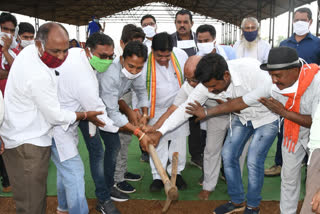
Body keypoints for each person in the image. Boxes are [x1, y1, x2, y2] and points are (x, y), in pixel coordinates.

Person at [185, 47, 320, 214]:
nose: (274, 80)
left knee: (311, 187)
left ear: (294, 70)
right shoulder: (273, 85)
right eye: (272, 75)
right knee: (287, 178)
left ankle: (253, 206)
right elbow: (240, 102)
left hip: (309, 135)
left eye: (277, 75)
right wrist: (206, 112)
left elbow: (314, 122)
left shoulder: (316, 83)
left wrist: (283, 112)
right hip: (287, 132)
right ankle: (248, 204)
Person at [143, 53, 279, 214]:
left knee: (254, 160)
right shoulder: (207, 84)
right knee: (228, 155)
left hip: (267, 117)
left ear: (226, 76)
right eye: (207, 87)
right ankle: (237, 202)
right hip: (241, 118)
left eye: (214, 87)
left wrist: (207, 112)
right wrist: (160, 132)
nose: (211, 91)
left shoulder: (253, 71)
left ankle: (253, 207)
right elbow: (184, 110)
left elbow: (240, 103)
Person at [0, 22, 105, 214]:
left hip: (22, 133)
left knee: (35, 197)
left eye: (65, 51)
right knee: (32, 205)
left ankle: (62, 207)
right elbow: (56, 115)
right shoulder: (38, 74)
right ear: (39, 45)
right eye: (56, 51)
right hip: (28, 143)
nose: (61, 57)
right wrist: (83, 115)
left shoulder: (30, 53)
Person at [52, 32, 123, 214]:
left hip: (68, 118)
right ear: (88, 51)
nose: (107, 60)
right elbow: (101, 118)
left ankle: (63, 208)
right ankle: (84, 207)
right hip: (58, 126)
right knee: (75, 173)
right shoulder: (85, 80)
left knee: (64, 169)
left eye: (110, 56)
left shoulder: (77, 53)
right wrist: (132, 129)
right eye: (102, 56)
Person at [265, 7, 320, 177]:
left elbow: (312, 121)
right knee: (285, 134)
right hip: (289, 95)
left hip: (311, 95)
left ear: (310, 22)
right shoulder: (284, 44)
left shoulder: (317, 43)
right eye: (296, 20)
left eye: (303, 20)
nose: (299, 23)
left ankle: (310, 169)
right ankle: (281, 164)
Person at [97, 40, 151, 195]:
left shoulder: (137, 70)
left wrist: (144, 114)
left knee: (119, 144)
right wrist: (138, 133)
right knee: (112, 146)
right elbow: (111, 111)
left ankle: (118, 175)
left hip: (113, 103)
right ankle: (110, 186)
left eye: (139, 67)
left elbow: (141, 91)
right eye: (131, 66)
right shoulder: (110, 73)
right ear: (122, 59)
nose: (134, 71)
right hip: (95, 109)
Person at [141, 32, 189, 192]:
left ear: (172, 51)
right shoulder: (144, 61)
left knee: (179, 141)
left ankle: (177, 172)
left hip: (178, 107)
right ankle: (158, 176)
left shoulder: (181, 56)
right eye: (159, 55)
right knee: (157, 142)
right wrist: (142, 112)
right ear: (152, 50)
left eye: (167, 55)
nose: (163, 59)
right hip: (155, 109)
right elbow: (138, 89)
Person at [0, 12, 19, 194]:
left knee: (6, 141)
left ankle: (7, 179)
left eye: (12, 30)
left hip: (10, 103)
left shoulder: (14, 49)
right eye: (4, 29)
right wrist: (10, 73)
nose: (8, 33)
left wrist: (6, 50)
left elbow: (19, 72)